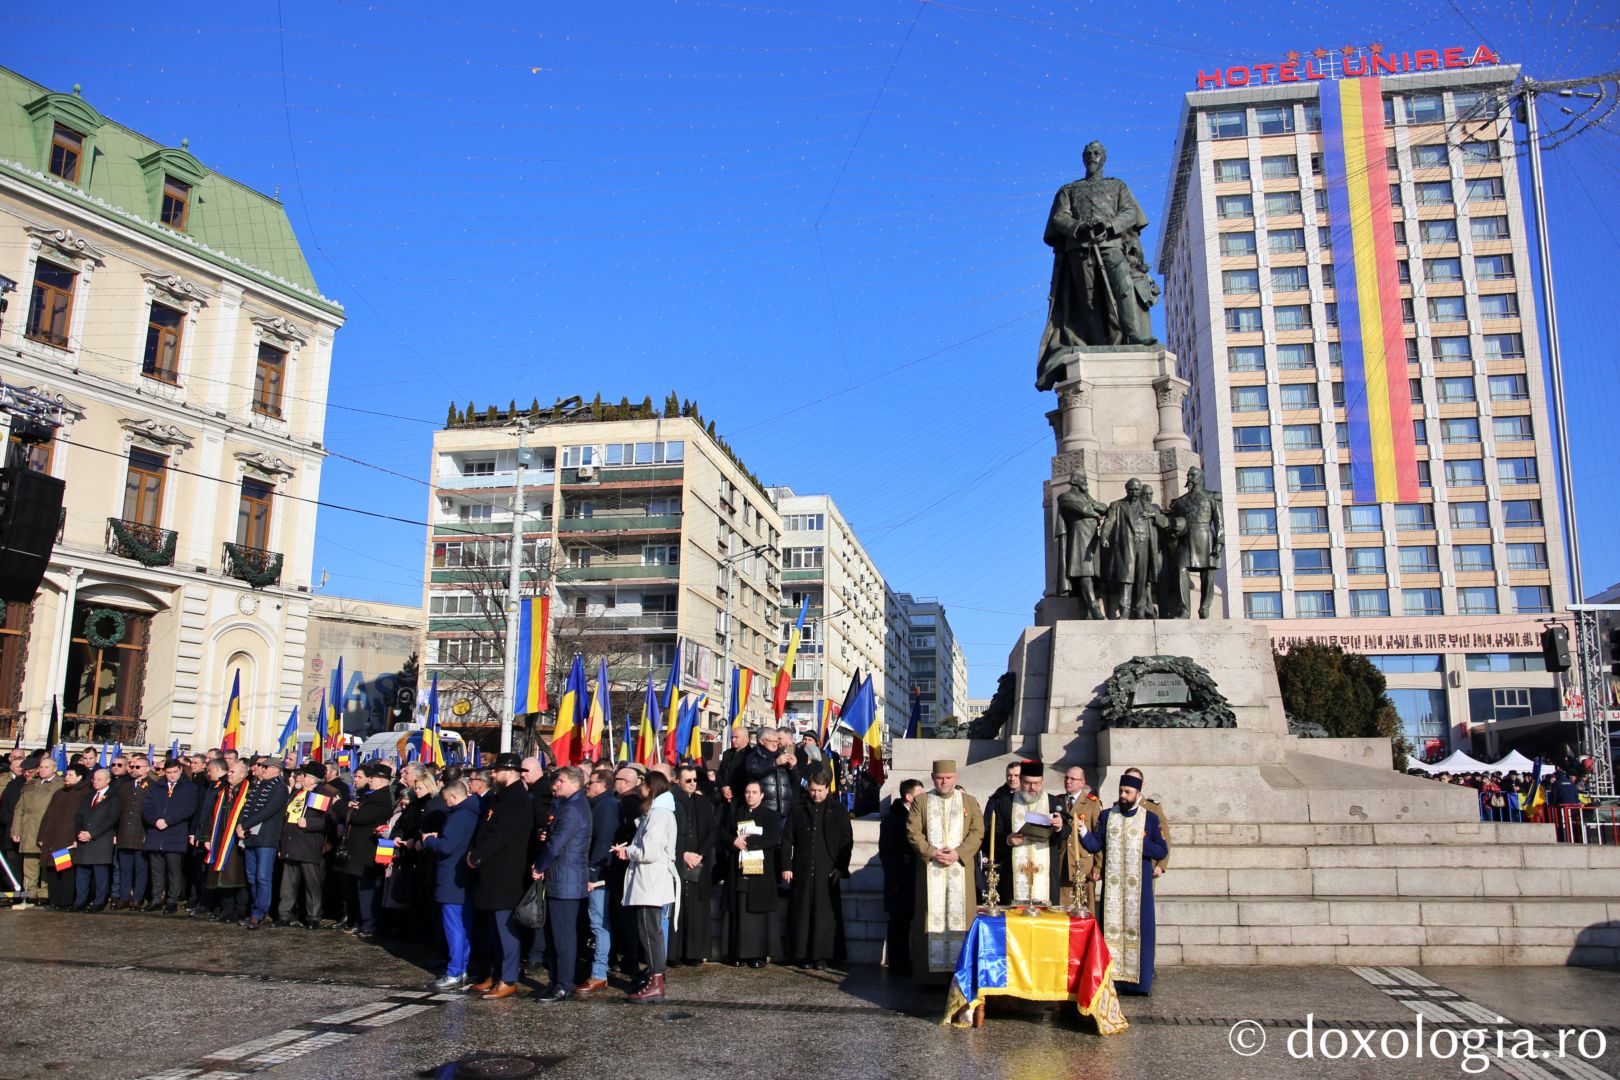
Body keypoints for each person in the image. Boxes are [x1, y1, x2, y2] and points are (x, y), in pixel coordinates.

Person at [1036, 139, 1158, 390]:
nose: (1092, 157)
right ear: (1083, 158)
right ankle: (1093, 341)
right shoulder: (1068, 189)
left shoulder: (1117, 185)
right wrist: (1079, 227)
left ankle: (1132, 333)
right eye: (1088, 153)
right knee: (1087, 299)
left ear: (1104, 157)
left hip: (1111, 244)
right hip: (1079, 249)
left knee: (1123, 287)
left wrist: (1109, 226)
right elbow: (1060, 217)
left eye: (1097, 153)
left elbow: (1130, 213)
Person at [1079, 770, 1170, 995]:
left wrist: (1141, 843)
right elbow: (1095, 845)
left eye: (1128, 792)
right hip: (1113, 888)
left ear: (1138, 793)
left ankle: (1140, 983)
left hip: (1139, 889)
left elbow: (1161, 848)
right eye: (1121, 790)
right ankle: (1112, 979)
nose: (1123, 795)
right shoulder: (1108, 815)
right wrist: (1082, 833)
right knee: (1111, 930)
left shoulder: (1149, 817)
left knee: (1140, 931)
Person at [908, 759, 985, 983]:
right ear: (933, 778)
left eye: (948, 778)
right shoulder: (921, 801)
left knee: (961, 920)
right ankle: (929, 977)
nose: (944, 782)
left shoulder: (968, 802)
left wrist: (958, 853)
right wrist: (931, 851)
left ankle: (960, 975)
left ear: (955, 778)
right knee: (930, 917)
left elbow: (977, 831)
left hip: (959, 870)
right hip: (931, 870)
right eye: (940, 778)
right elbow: (913, 831)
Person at [466, 753, 531, 1000]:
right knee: (493, 929)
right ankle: (495, 973)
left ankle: (508, 978)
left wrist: (478, 856)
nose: (492, 775)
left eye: (496, 770)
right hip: (490, 873)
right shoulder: (499, 797)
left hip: (506, 873)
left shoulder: (517, 799)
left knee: (505, 929)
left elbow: (501, 835)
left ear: (510, 772)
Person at [617, 770, 679, 1003]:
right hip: (649, 880)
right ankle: (655, 978)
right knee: (649, 930)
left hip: (650, 881)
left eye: (644, 784)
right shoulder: (657, 813)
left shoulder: (659, 814)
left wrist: (628, 852)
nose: (640, 788)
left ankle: (656, 980)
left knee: (649, 930)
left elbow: (649, 851)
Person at [782, 769, 853, 970]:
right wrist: (786, 865)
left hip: (827, 870)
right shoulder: (798, 808)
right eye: (813, 790)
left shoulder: (838, 810)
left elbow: (846, 840)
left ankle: (822, 955)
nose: (816, 795)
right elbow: (788, 838)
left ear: (827, 789)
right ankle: (802, 954)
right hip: (802, 868)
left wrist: (841, 867)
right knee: (802, 913)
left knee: (825, 916)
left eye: (820, 791)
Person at [532, 765, 591, 1004]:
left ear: (573, 783)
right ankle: (556, 980)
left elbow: (556, 845)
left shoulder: (573, 809)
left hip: (566, 880)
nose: (555, 786)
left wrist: (539, 866)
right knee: (555, 935)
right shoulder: (570, 806)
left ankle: (563, 984)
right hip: (561, 879)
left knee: (563, 937)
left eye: (560, 782)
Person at [420, 779, 479, 991]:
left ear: (453, 797)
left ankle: (455, 971)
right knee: (464, 925)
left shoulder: (459, 816)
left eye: (446, 800)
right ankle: (460, 967)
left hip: (452, 877)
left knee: (454, 926)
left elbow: (446, 846)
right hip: (465, 877)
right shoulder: (473, 813)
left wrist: (428, 841)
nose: (445, 804)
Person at [719, 779, 781, 968]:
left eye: (754, 792)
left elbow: (773, 838)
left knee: (758, 916)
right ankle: (737, 953)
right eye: (747, 792)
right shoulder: (736, 812)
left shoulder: (771, 815)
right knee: (739, 909)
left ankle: (758, 954)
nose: (750, 795)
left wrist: (750, 843)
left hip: (760, 871)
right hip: (738, 870)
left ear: (762, 795)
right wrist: (733, 842)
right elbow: (723, 833)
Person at [993, 760, 1066, 907]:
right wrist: (1008, 839)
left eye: (1037, 783)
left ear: (1042, 781)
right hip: (1013, 873)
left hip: (1045, 872)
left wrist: (1059, 827)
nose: (1033, 788)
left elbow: (1066, 832)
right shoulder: (1005, 803)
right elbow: (993, 833)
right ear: (1020, 780)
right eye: (1027, 783)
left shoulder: (1053, 802)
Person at [336, 762, 394, 938]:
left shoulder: (381, 798)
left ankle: (368, 923)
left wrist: (340, 806)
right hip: (359, 850)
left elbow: (360, 817)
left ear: (383, 780)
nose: (371, 781)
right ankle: (359, 921)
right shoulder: (371, 796)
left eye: (374, 778)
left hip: (367, 851)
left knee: (367, 889)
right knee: (359, 888)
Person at [277, 763, 336, 928]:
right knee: (287, 883)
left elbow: (327, 820)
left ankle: (313, 915)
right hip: (290, 842)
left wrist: (309, 823)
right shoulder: (297, 792)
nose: (300, 777)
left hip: (308, 845)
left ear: (312, 779)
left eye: (304, 775)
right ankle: (284, 914)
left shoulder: (321, 794)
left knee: (312, 883)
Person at [669, 764, 716, 966]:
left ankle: (694, 952)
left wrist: (699, 855)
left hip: (698, 861)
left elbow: (711, 830)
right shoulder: (671, 802)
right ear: (677, 781)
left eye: (695, 780)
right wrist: (683, 854)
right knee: (677, 909)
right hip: (677, 861)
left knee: (697, 909)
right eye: (688, 780)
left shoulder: (702, 802)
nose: (692, 784)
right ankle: (674, 953)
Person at [578, 766, 619, 995]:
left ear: (603, 784)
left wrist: (593, 872)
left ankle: (599, 973)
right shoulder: (599, 804)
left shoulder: (606, 807)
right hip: (597, 872)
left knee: (599, 923)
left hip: (600, 874)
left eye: (591, 782)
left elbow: (603, 841)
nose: (588, 786)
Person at [879, 778, 923, 976]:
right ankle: (899, 964)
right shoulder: (893, 819)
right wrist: (895, 879)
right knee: (899, 924)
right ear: (909, 797)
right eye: (920, 795)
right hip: (900, 879)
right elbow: (887, 852)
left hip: (915, 877)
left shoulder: (918, 816)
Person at [239, 758, 289, 928]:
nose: (262, 769)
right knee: (252, 877)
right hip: (251, 836)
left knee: (263, 876)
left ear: (275, 770)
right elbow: (246, 808)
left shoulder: (279, 788)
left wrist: (245, 824)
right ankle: (256, 908)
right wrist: (240, 825)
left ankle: (259, 912)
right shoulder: (257, 786)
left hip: (266, 838)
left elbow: (268, 810)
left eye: (265, 767)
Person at [202, 759, 252, 923]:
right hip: (220, 838)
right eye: (229, 771)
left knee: (237, 877)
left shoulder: (249, 791)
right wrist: (208, 836)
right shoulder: (224, 791)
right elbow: (212, 815)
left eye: (232, 772)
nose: (228, 774)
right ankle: (226, 910)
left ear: (243, 775)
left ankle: (239, 911)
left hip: (237, 841)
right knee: (221, 876)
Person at [38, 764, 92, 909]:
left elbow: (85, 818)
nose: (66, 778)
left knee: (64, 871)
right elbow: (48, 816)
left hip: (67, 840)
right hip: (52, 838)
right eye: (66, 775)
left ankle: (65, 901)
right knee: (52, 870)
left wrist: (77, 837)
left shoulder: (84, 794)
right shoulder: (60, 793)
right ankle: (54, 900)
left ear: (79, 777)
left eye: (70, 775)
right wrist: (42, 835)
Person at [13, 753, 62, 907]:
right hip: (29, 827)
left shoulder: (60, 785)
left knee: (47, 862)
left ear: (54, 769)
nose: (42, 770)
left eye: (46, 767)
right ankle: (30, 893)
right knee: (29, 863)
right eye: (41, 767)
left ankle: (45, 893)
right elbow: (19, 809)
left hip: (48, 828)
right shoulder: (30, 785)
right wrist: (16, 830)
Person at [70, 767, 120, 912]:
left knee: (101, 874)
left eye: (99, 779)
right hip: (83, 839)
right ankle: (80, 901)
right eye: (94, 779)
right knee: (82, 873)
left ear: (108, 780)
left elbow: (111, 819)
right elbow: (79, 816)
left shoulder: (114, 797)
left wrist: (92, 833)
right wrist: (79, 833)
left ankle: (99, 901)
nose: (95, 782)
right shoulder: (89, 796)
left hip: (100, 839)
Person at [1057, 766, 1102, 914]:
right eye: (1066, 778)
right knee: (1063, 909)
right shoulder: (1057, 802)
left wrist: (1097, 866)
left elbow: (1098, 836)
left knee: (1085, 910)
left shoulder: (1092, 803)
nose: (1068, 781)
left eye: (1072, 779)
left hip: (1084, 865)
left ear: (1082, 782)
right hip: (1063, 863)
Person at [110, 754, 152, 910]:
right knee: (124, 868)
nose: (133, 769)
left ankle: (138, 898)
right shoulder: (126, 786)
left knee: (141, 869)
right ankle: (124, 897)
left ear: (147, 768)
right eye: (132, 767)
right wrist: (115, 833)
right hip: (124, 833)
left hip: (141, 833)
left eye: (137, 767)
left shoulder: (153, 786)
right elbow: (117, 811)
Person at [746, 728, 796, 825]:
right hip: (764, 808)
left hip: (783, 810)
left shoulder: (782, 755)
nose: (775, 744)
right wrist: (775, 763)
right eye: (771, 741)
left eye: (777, 741)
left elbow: (795, 781)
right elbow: (755, 772)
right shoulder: (753, 756)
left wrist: (792, 768)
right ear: (762, 741)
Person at [717, 727, 752, 804]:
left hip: (741, 799)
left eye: (736, 737)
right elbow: (720, 774)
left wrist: (732, 791)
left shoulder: (751, 755)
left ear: (746, 739)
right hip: (724, 798)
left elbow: (748, 777)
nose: (733, 740)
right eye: (732, 737)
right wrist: (723, 787)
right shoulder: (727, 754)